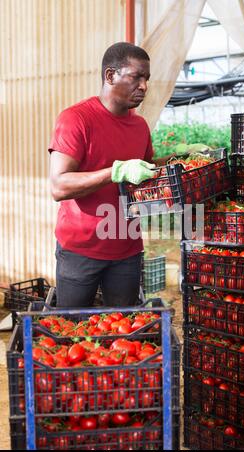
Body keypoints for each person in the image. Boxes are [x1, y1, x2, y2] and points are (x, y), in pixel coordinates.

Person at [49, 42, 160, 308]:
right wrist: (116, 171)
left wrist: (182, 159)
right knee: (72, 329)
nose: (144, 86)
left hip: (127, 247)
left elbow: (146, 171)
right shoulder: (76, 119)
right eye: (136, 77)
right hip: (80, 249)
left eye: (146, 79)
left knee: (121, 328)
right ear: (110, 76)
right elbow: (59, 186)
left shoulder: (139, 126)